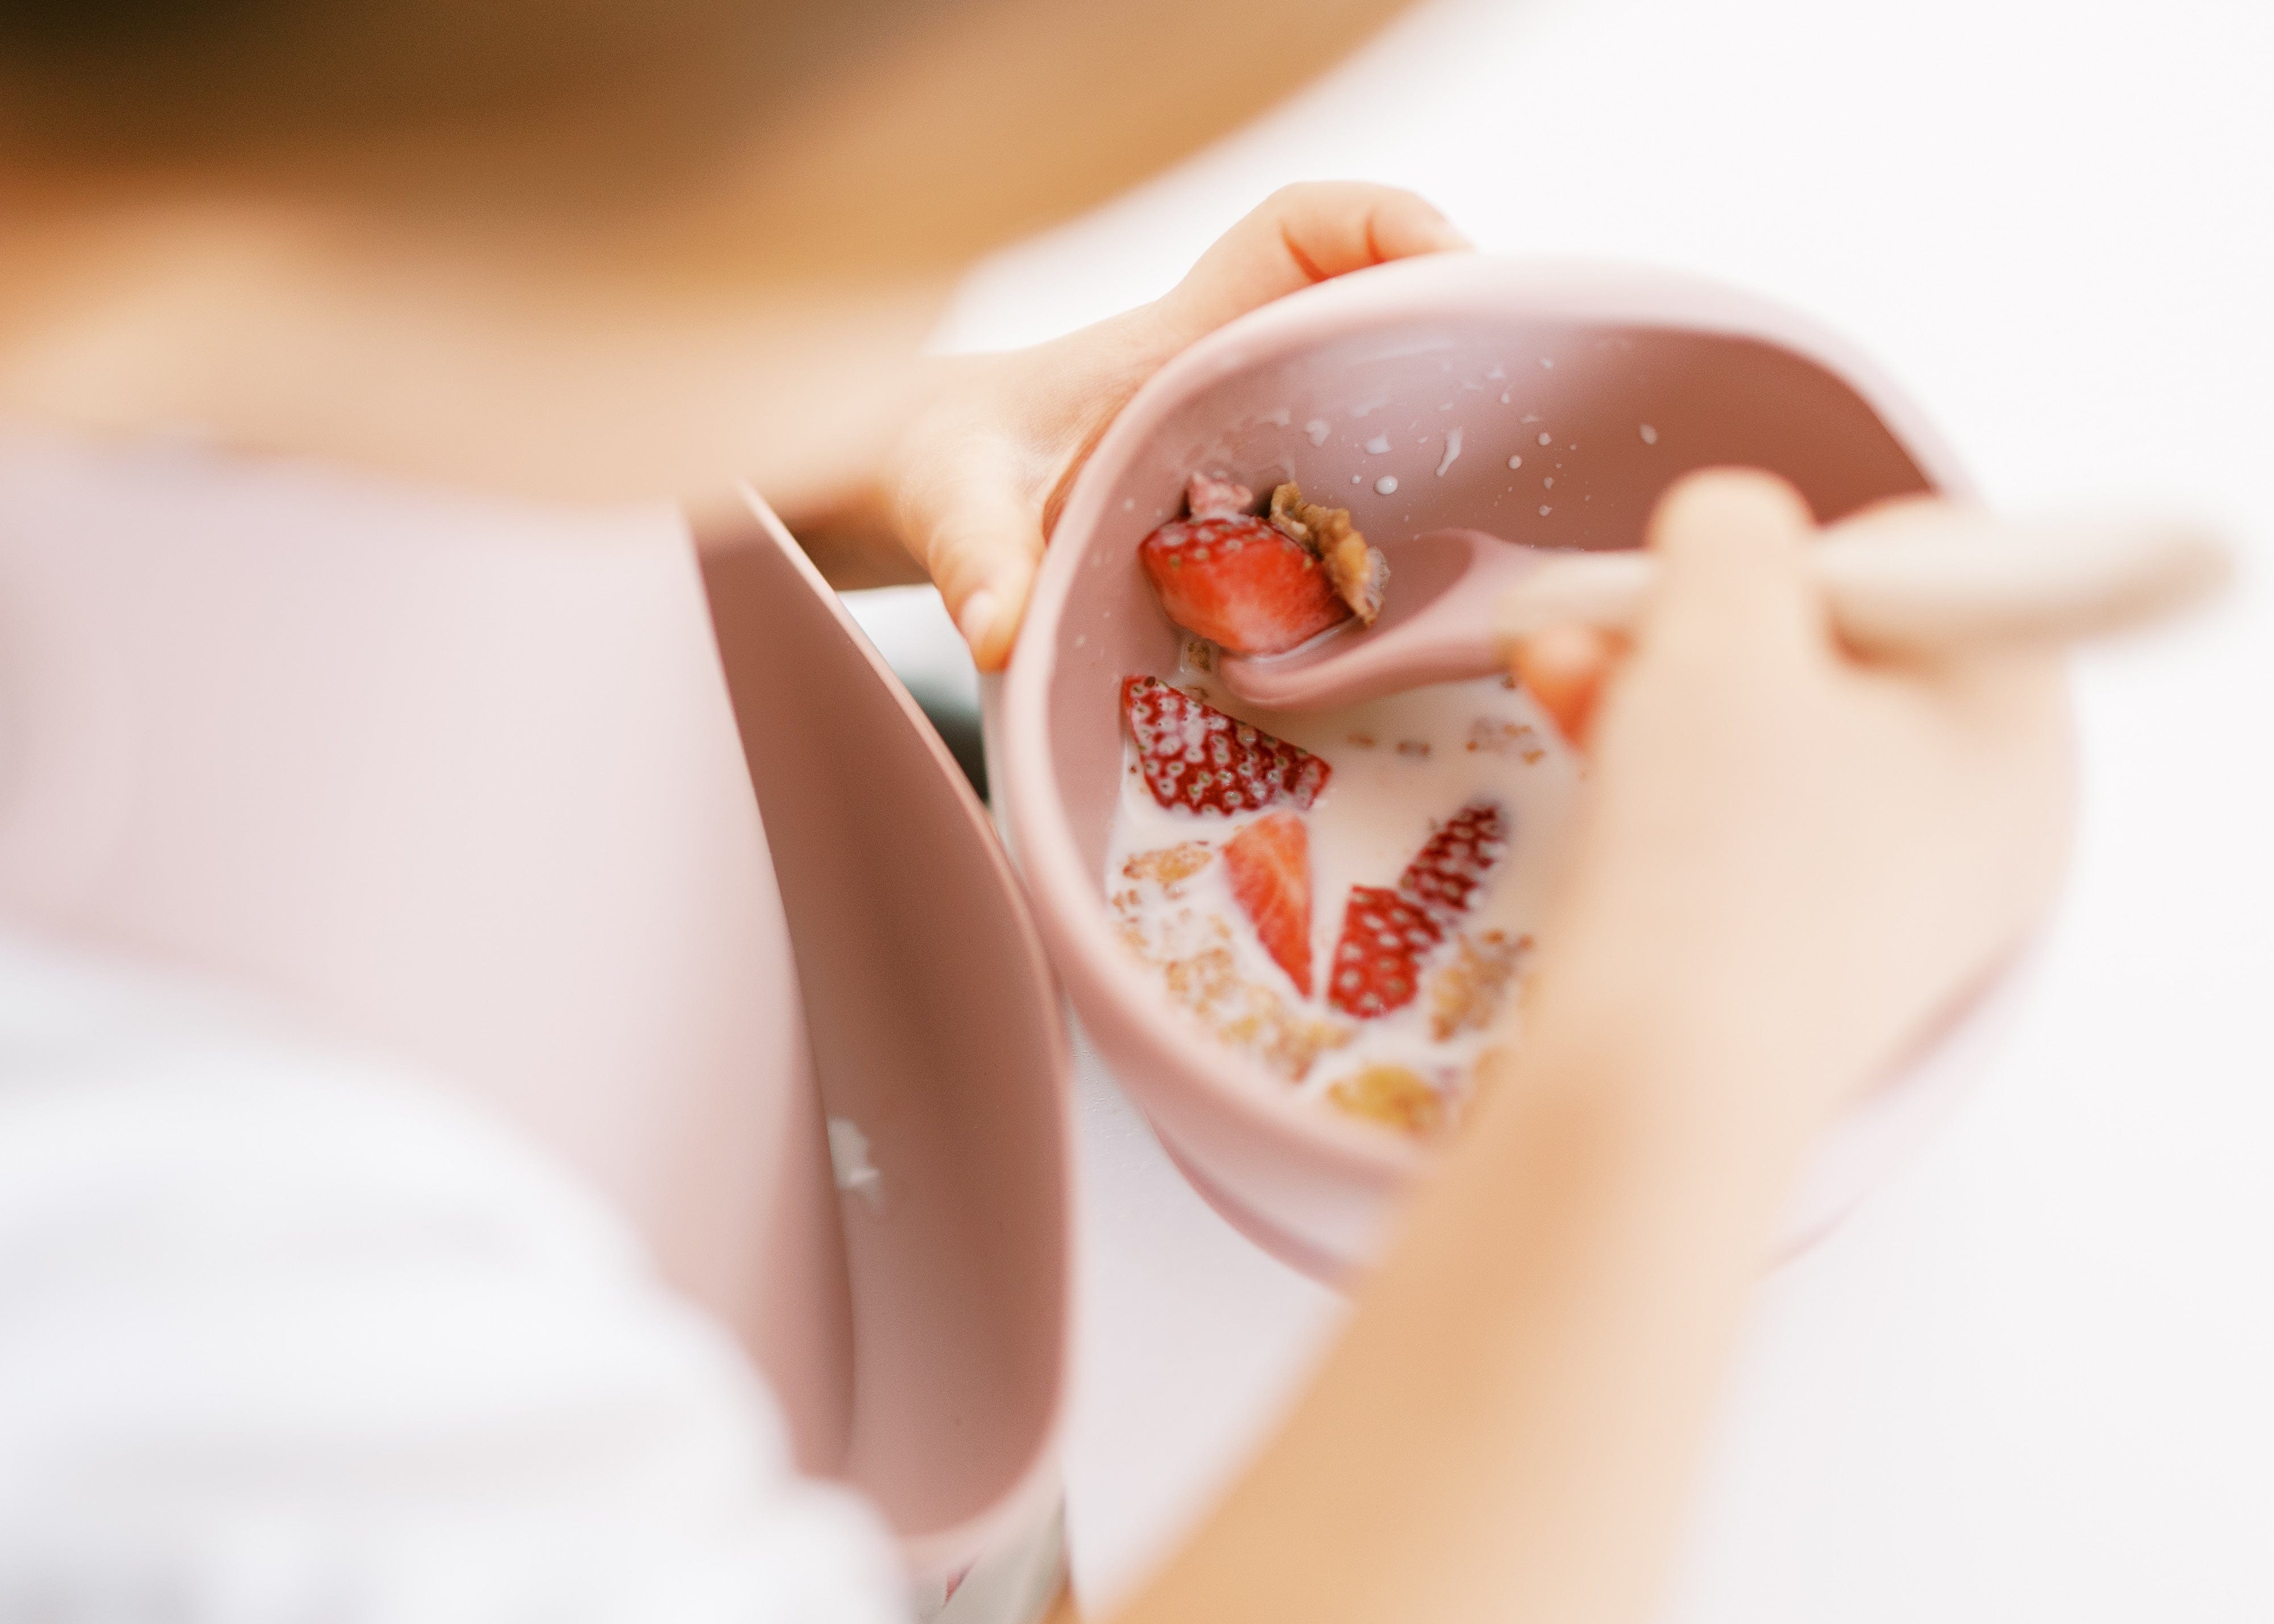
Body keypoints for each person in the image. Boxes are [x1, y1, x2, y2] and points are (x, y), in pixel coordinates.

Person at [0, 2, 2070, 1620]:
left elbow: (305, 402)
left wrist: (877, 429)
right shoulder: (140, 1296)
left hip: (800, 984)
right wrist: (1686, 1036)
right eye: (909, 227)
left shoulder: (111, 198)